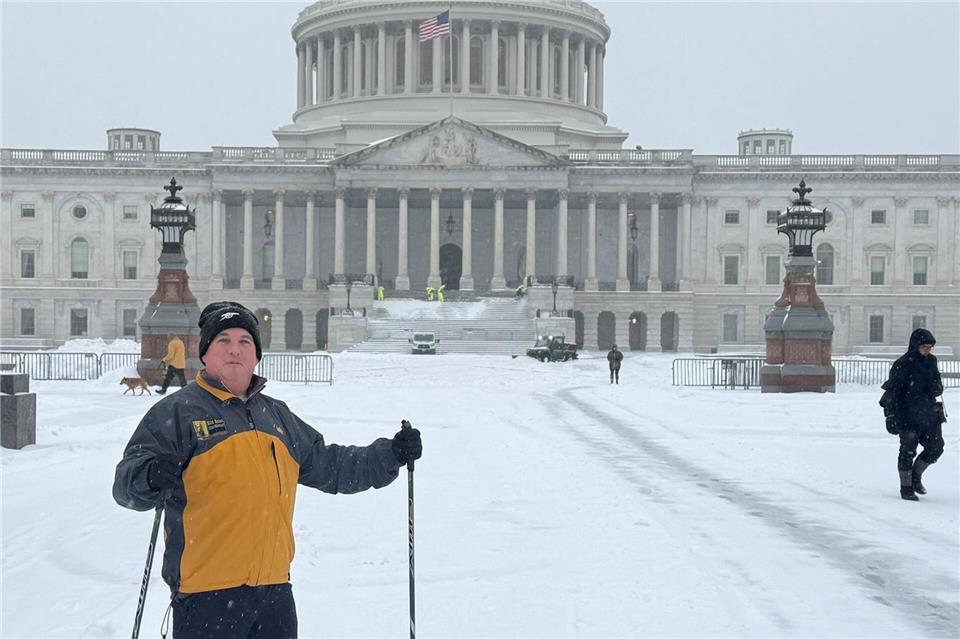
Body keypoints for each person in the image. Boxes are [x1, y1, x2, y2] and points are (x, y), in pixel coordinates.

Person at [113, 301, 423, 639]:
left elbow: (331, 466)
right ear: (205, 354)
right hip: (205, 596)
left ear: (256, 356)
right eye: (223, 341)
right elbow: (126, 485)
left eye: (244, 342)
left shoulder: (277, 416)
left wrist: (390, 455)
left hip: (274, 594)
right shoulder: (176, 412)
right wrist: (148, 476)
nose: (234, 350)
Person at [880, 328, 944, 501]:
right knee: (907, 451)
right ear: (915, 346)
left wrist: (936, 387)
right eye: (924, 347)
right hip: (907, 414)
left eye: (930, 348)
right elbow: (892, 392)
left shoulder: (932, 361)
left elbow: (937, 384)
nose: (928, 351)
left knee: (936, 447)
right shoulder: (903, 364)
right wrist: (890, 415)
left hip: (928, 413)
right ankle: (906, 487)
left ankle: (915, 476)